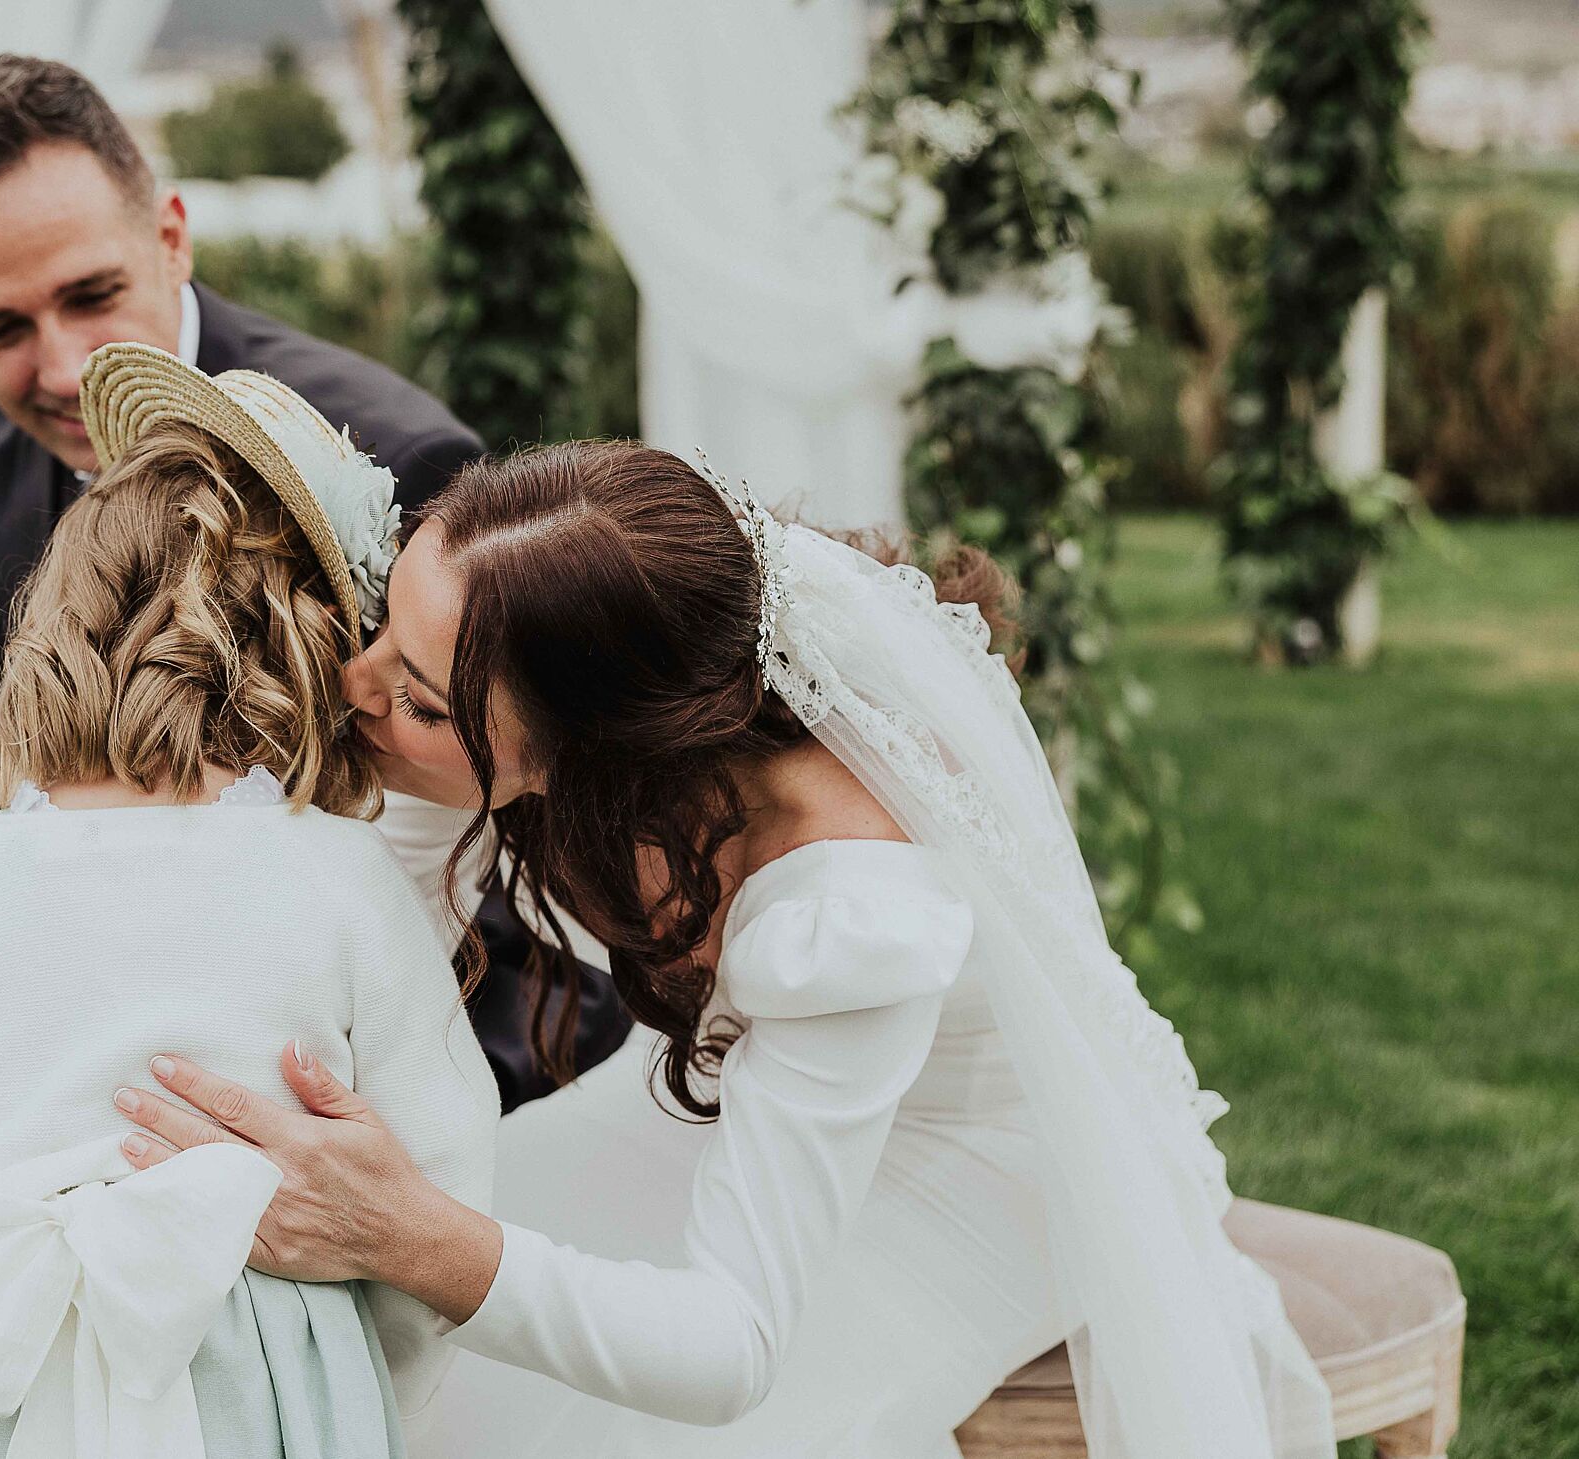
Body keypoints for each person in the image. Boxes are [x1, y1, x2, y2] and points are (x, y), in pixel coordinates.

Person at [113, 440, 1337, 1459]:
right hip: (703, 1109)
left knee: (597, 1418)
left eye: (424, 701)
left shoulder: (845, 904)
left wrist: (409, 1234)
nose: (353, 685)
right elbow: (350, 949)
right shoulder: (516, 633)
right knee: (373, 1319)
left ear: (606, 758)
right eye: (385, 633)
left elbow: (728, 1346)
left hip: (968, 1171)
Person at [0, 53, 624, 1224]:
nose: (59, 367)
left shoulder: (389, 461)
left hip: (372, 963)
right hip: (81, 916)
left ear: (172, 237)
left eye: (90, 295)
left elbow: (477, 815)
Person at [0, 355, 498, 1459]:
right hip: (273, 1393)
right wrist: (374, 1388)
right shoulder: (343, 880)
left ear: (54, 623)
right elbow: (437, 1176)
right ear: (306, 647)